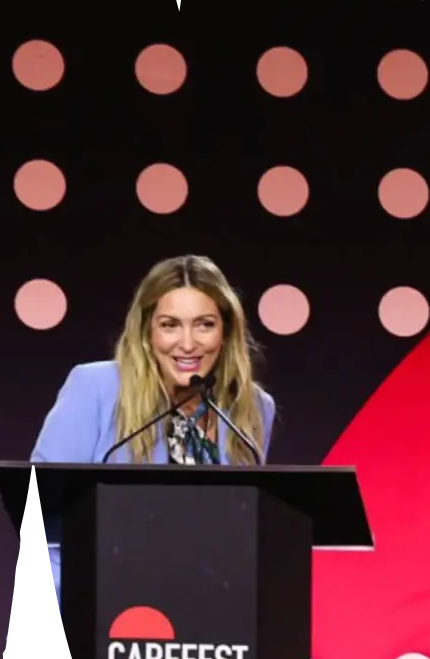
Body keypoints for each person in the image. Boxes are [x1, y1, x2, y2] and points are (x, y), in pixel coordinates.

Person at [30, 255, 276, 611]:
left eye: (204, 325)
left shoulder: (250, 406)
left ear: (225, 332)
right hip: (91, 608)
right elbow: (42, 513)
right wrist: (63, 611)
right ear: (147, 332)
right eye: (170, 325)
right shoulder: (96, 387)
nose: (188, 344)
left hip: (205, 614)